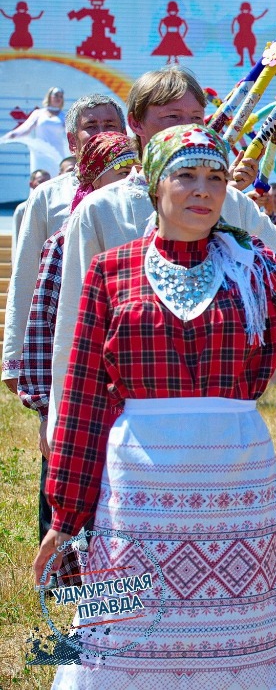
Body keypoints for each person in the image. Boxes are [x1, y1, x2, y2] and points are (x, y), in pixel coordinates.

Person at [34, 122, 276, 688]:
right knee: (121, 637)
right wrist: (67, 516)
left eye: (215, 178)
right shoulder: (110, 272)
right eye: (185, 176)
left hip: (236, 487)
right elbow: (83, 400)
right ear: (154, 185)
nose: (203, 190)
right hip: (138, 491)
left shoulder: (253, 265)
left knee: (241, 638)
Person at [49, 66, 276, 443]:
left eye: (196, 118)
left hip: (219, 412)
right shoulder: (101, 211)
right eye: (171, 117)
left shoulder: (228, 203)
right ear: (135, 123)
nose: (187, 128)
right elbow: (74, 328)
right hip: (130, 417)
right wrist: (64, 425)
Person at [17, 131, 137, 548]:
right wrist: (48, 404)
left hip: (132, 393)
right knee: (74, 490)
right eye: (117, 172)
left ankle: (122, 597)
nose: (127, 181)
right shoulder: (67, 238)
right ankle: (71, 592)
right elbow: (48, 325)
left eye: (132, 170)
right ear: (92, 177)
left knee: (119, 499)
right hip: (82, 391)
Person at [3, 93, 124, 393]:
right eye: (91, 126)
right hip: (64, 328)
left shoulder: (141, 190)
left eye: (110, 125)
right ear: (72, 142)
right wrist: (13, 357)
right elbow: (26, 275)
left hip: (126, 330)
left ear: (124, 134)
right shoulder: (48, 196)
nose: (101, 133)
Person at [5, 87, 69, 173]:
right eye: (56, 95)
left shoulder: (64, 116)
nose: (58, 98)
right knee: (39, 178)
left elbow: (69, 132)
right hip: (40, 154)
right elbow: (26, 129)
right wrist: (12, 135)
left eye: (61, 96)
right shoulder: (38, 113)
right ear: (49, 96)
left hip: (56, 153)